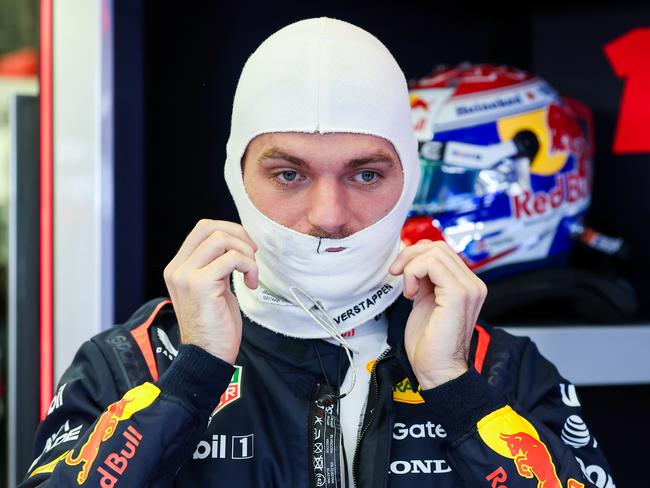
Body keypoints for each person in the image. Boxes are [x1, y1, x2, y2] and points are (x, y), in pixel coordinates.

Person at [21, 17, 613, 487]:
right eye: (288, 175)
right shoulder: (129, 365)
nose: (328, 216)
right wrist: (192, 377)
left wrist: (456, 389)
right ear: (236, 176)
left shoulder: (500, 369)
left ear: (407, 178)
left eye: (365, 175)